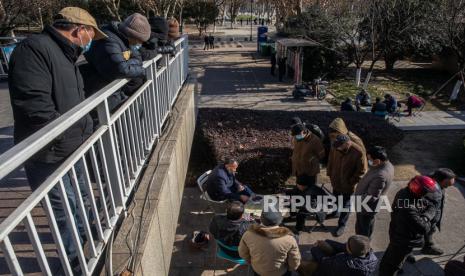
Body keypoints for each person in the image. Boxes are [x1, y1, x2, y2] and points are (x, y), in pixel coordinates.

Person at [8, 6, 105, 271]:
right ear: (79, 30)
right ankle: (73, 265)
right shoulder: (34, 50)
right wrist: (76, 129)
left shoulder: (65, 55)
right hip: (49, 153)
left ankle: (85, 247)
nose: (90, 43)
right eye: (90, 37)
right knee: (64, 211)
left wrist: (85, 128)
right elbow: (35, 108)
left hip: (72, 147)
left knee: (80, 201)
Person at [83, 13, 151, 110]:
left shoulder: (125, 39)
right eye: (139, 40)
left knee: (137, 111)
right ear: (132, 35)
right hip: (102, 93)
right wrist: (142, 71)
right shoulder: (108, 40)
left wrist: (126, 63)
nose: (140, 43)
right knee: (135, 111)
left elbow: (138, 59)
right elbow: (120, 69)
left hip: (114, 92)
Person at [378, 176, 438, 276]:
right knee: (393, 263)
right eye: (426, 192)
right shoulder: (408, 206)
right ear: (420, 191)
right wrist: (427, 218)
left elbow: (431, 206)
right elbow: (424, 228)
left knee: (392, 254)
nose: (427, 195)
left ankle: (389, 267)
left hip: (400, 233)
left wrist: (425, 216)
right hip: (403, 239)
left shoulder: (408, 193)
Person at [239, 210, 301, 276]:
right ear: (280, 221)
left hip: (259, 270)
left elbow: (243, 253)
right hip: (280, 272)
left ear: (261, 219)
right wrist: (290, 269)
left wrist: (252, 263)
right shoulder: (289, 239)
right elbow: (294, 260)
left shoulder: (248, 234)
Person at [327, 135, 367, 237]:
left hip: (348, 185)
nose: (337, 149)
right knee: (335, 198)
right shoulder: (336, 147)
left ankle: (342, 224)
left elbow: (361, 172)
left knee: (346, 205)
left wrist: (350, 182)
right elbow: (331, 160)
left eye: (339, 147)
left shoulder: (358, 152)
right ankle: (336, 211)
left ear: (347, 143)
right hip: (336, 181)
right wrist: (330, 173)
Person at [290, 122, 326, 231]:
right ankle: (294, 213)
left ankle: (299, 226)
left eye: (298, 135)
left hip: (309, 173)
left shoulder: (315, 141)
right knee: (297, 194)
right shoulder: (297, 138)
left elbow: (322, 155)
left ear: (304, 132)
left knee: (307, 199)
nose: (296, 137)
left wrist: (311, 160)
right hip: (299, 171)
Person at [354, 146, 394, 238]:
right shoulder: (388, 165)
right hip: (368, 207)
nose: (368, 161)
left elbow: (371, 197)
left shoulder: (380, 175)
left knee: (363, 231)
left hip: (366, 207)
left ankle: (361, 247)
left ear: (378, 161)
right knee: (367, 226)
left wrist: (356, 201)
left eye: (370, 159)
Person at [422, 168, 456, 255]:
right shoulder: (425, 187)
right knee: (413, 236)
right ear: (439, 180)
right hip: (423, 219)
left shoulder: (438, 183)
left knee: (431, 230)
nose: (446, 187)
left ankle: (428, 246)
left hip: (432, 218)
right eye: (446, 185)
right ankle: (406, 253)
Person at [310, 235, 378, 276]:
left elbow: (324, 261)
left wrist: (314, 249)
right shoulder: (372, 257)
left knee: (303, 265)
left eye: (347, 244)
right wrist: (327, 241)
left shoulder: (345, 263)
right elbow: (342, 246)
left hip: (334, 269)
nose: (345, 244)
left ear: (350, 251)